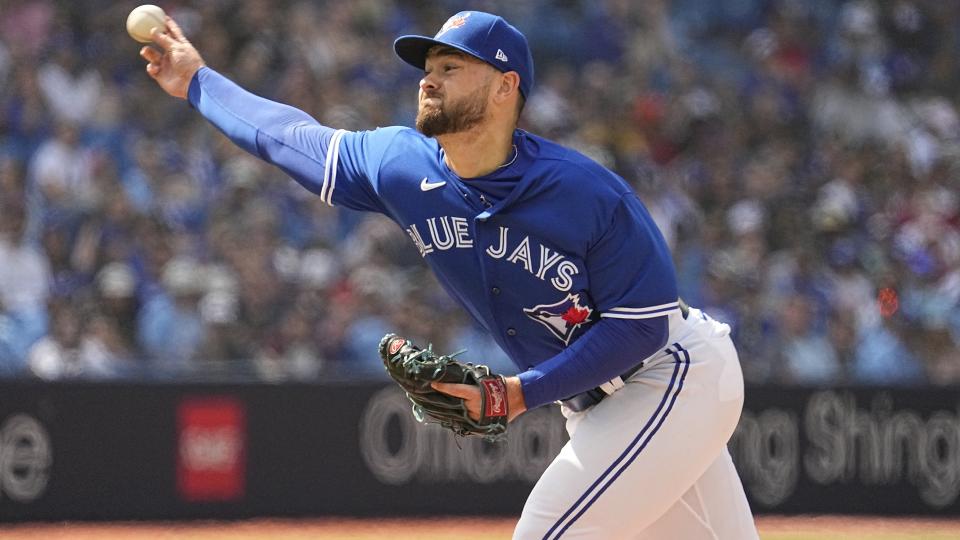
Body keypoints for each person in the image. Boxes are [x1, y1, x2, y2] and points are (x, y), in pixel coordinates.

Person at [140, 11, 758, 539]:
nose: (428, 80)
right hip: (600, 406)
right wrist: (197, 80)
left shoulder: (585, 191)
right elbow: (287, 137)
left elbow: (640, 327)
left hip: (673, 374)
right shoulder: (400, 165)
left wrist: (517, 393)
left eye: (451, 67)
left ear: (503, 88)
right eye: (428, 67)